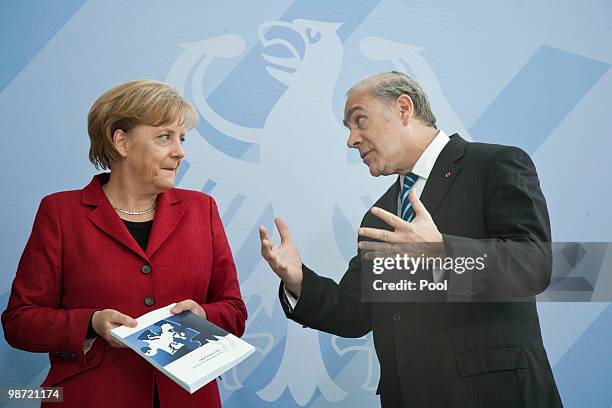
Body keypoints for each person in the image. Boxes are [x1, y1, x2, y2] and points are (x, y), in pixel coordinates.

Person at [259, 71, 563, 407]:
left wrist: (442, 252)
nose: (352, 140)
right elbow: (353, 313)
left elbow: (534, 264)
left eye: (360, 120)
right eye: (348, 129)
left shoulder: (493, 165)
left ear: (404, 108)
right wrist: (299, 280)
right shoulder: (380, 214)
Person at [2, 80, 247, 407]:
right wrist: (90, 323)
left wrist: (202, 313)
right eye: (165, 137)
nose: (180, 151)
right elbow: (20, 322)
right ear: (121, 142)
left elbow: (234, 310)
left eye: (182, 138)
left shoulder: (202, 210)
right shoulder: (60, 213)